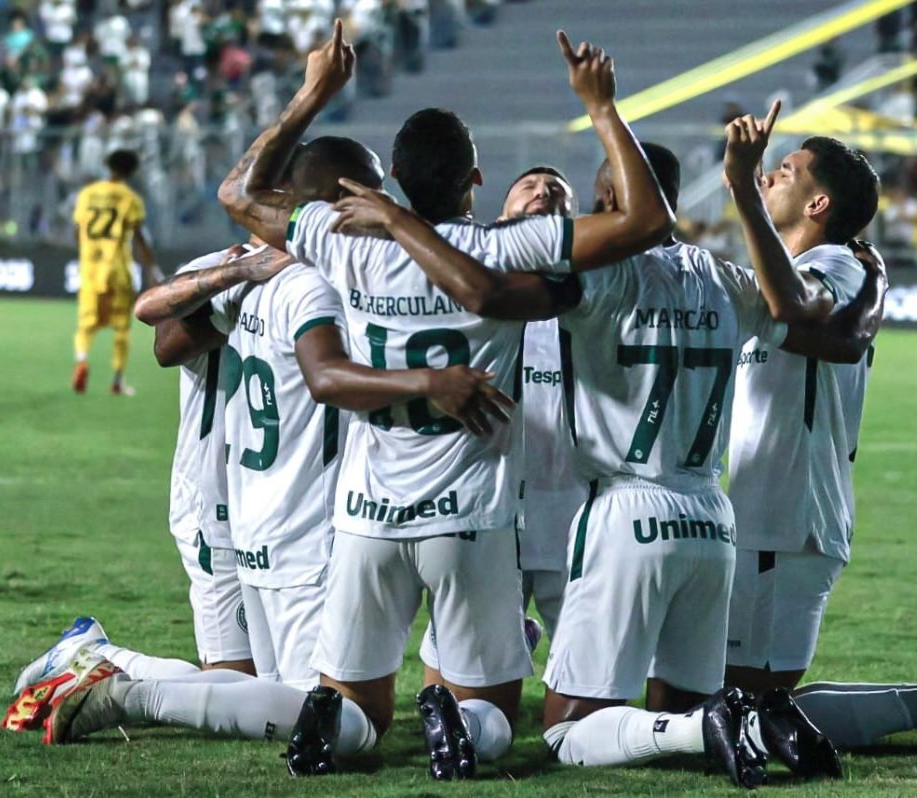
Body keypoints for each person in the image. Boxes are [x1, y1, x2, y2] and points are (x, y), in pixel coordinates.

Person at [328, 111, 864, 787]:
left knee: (567, 729)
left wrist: (399, 221)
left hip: (623, 509)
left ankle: (710, 724)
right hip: (708, 517)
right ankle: (734, 723)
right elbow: (800, 315)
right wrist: (746, 195)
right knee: (676, 719)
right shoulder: (730, 281)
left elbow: (486, 291)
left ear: (610, 205)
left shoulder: (597, 283)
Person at [218, 24, 672, 779]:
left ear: (393, 176)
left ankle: (335, 729)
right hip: (469, 517)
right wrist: (600, 106)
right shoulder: (503, 249)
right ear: (474, 180)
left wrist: (313, 92)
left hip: (365, 516)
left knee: (356, 703)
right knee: (488, 706)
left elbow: (238, 192)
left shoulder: (345, 240)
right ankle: (458, 723)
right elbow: (645, 223)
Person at [4, 135, 515, 748]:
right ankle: (128, 690)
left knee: (245, 685)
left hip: (255, 511)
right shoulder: (313, 281)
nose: (377, 199)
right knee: (331, 715)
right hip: (287, 520)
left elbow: (165, 333)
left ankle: (106, 660)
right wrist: (432, 382)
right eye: (366, 188)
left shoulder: (294, 272)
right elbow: (184, 341)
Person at [722, 139, 917, 754]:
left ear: (817, 202)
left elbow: (814, 326)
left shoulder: (839, 265)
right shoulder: (800, 270)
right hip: (768, 515)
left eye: (785, 170)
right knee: (727, 706)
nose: (769, 175)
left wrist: (741, 191)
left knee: (745, 717)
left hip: (786, 517)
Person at [418, 165, 583, 687]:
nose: (543, 192)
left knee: (587, 687)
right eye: (529, 186)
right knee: (444, 689)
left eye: (557, 190)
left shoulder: (590, 295)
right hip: (489, 506)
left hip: (571, 514)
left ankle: (518, 638)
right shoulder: (472, 291)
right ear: (500, 209)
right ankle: (512, 638)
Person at [71, 149, 158, 396]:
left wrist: (86, 252)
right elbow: (138, 237)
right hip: (118, 268)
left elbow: (77, 230)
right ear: (131, 171)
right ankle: (117, 380)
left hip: (90, 268)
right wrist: (151, 268)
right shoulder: (129, 198)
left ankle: (82, 360)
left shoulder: (87, 194)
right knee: (121, 327)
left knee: (86, 323)